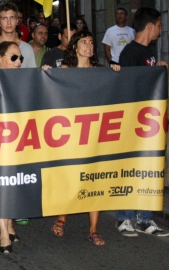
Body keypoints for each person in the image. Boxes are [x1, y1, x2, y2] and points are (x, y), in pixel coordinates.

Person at [51, 30, 120, 247]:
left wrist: (116, 71)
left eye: (91, 42)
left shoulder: (100, 72)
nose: (88, 45)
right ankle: (62, 217)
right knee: (70, 175)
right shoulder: (64, 70)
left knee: (94, 178)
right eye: (84, 42)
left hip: (94, 132)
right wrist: (46, 73)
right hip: (70, 132)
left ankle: (93, 229)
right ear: (74, 46)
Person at [115, 7, 169, 237]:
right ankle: (125, 218)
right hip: (132, 121)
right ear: (150, 26)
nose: (160, 29)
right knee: (129, 168)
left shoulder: (148, 52)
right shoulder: (130, 53)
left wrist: (155, 69)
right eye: (159, 25)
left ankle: (145, 219)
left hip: (148, 123)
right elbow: (129, 85)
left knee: (148, 168)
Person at [0, 41, 23, 254]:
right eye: (13, 58)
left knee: (15, 183)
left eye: (20, 58)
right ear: (0, 58)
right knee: (2, 183)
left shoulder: (26, 78)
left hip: (20, 140)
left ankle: (9, 223)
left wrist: (47, 73)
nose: (18, 62)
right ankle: (3, 233)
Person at [0, 2, 36, 71]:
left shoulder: (28, 49)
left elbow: (32, 77)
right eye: (4, 18)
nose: (9, 22)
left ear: (17, 21)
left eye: (12, 18)